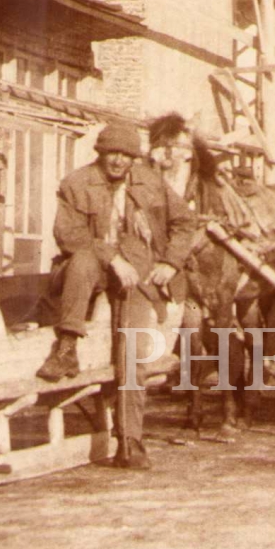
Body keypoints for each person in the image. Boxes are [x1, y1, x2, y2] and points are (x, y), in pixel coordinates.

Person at [36, 122, 195, 469]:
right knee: (82, 260)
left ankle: (129, 440)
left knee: (131, 350)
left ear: (134, 158)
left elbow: (185, 223)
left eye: (126, 155)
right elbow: (70, 235)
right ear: (101, 153)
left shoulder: (151, 182)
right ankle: (66, 347)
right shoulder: (76, 183)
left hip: (137, 274)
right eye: (112, 153)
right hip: (90, 268)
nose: (119, 161)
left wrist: (170, 262)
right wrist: (113, 259)